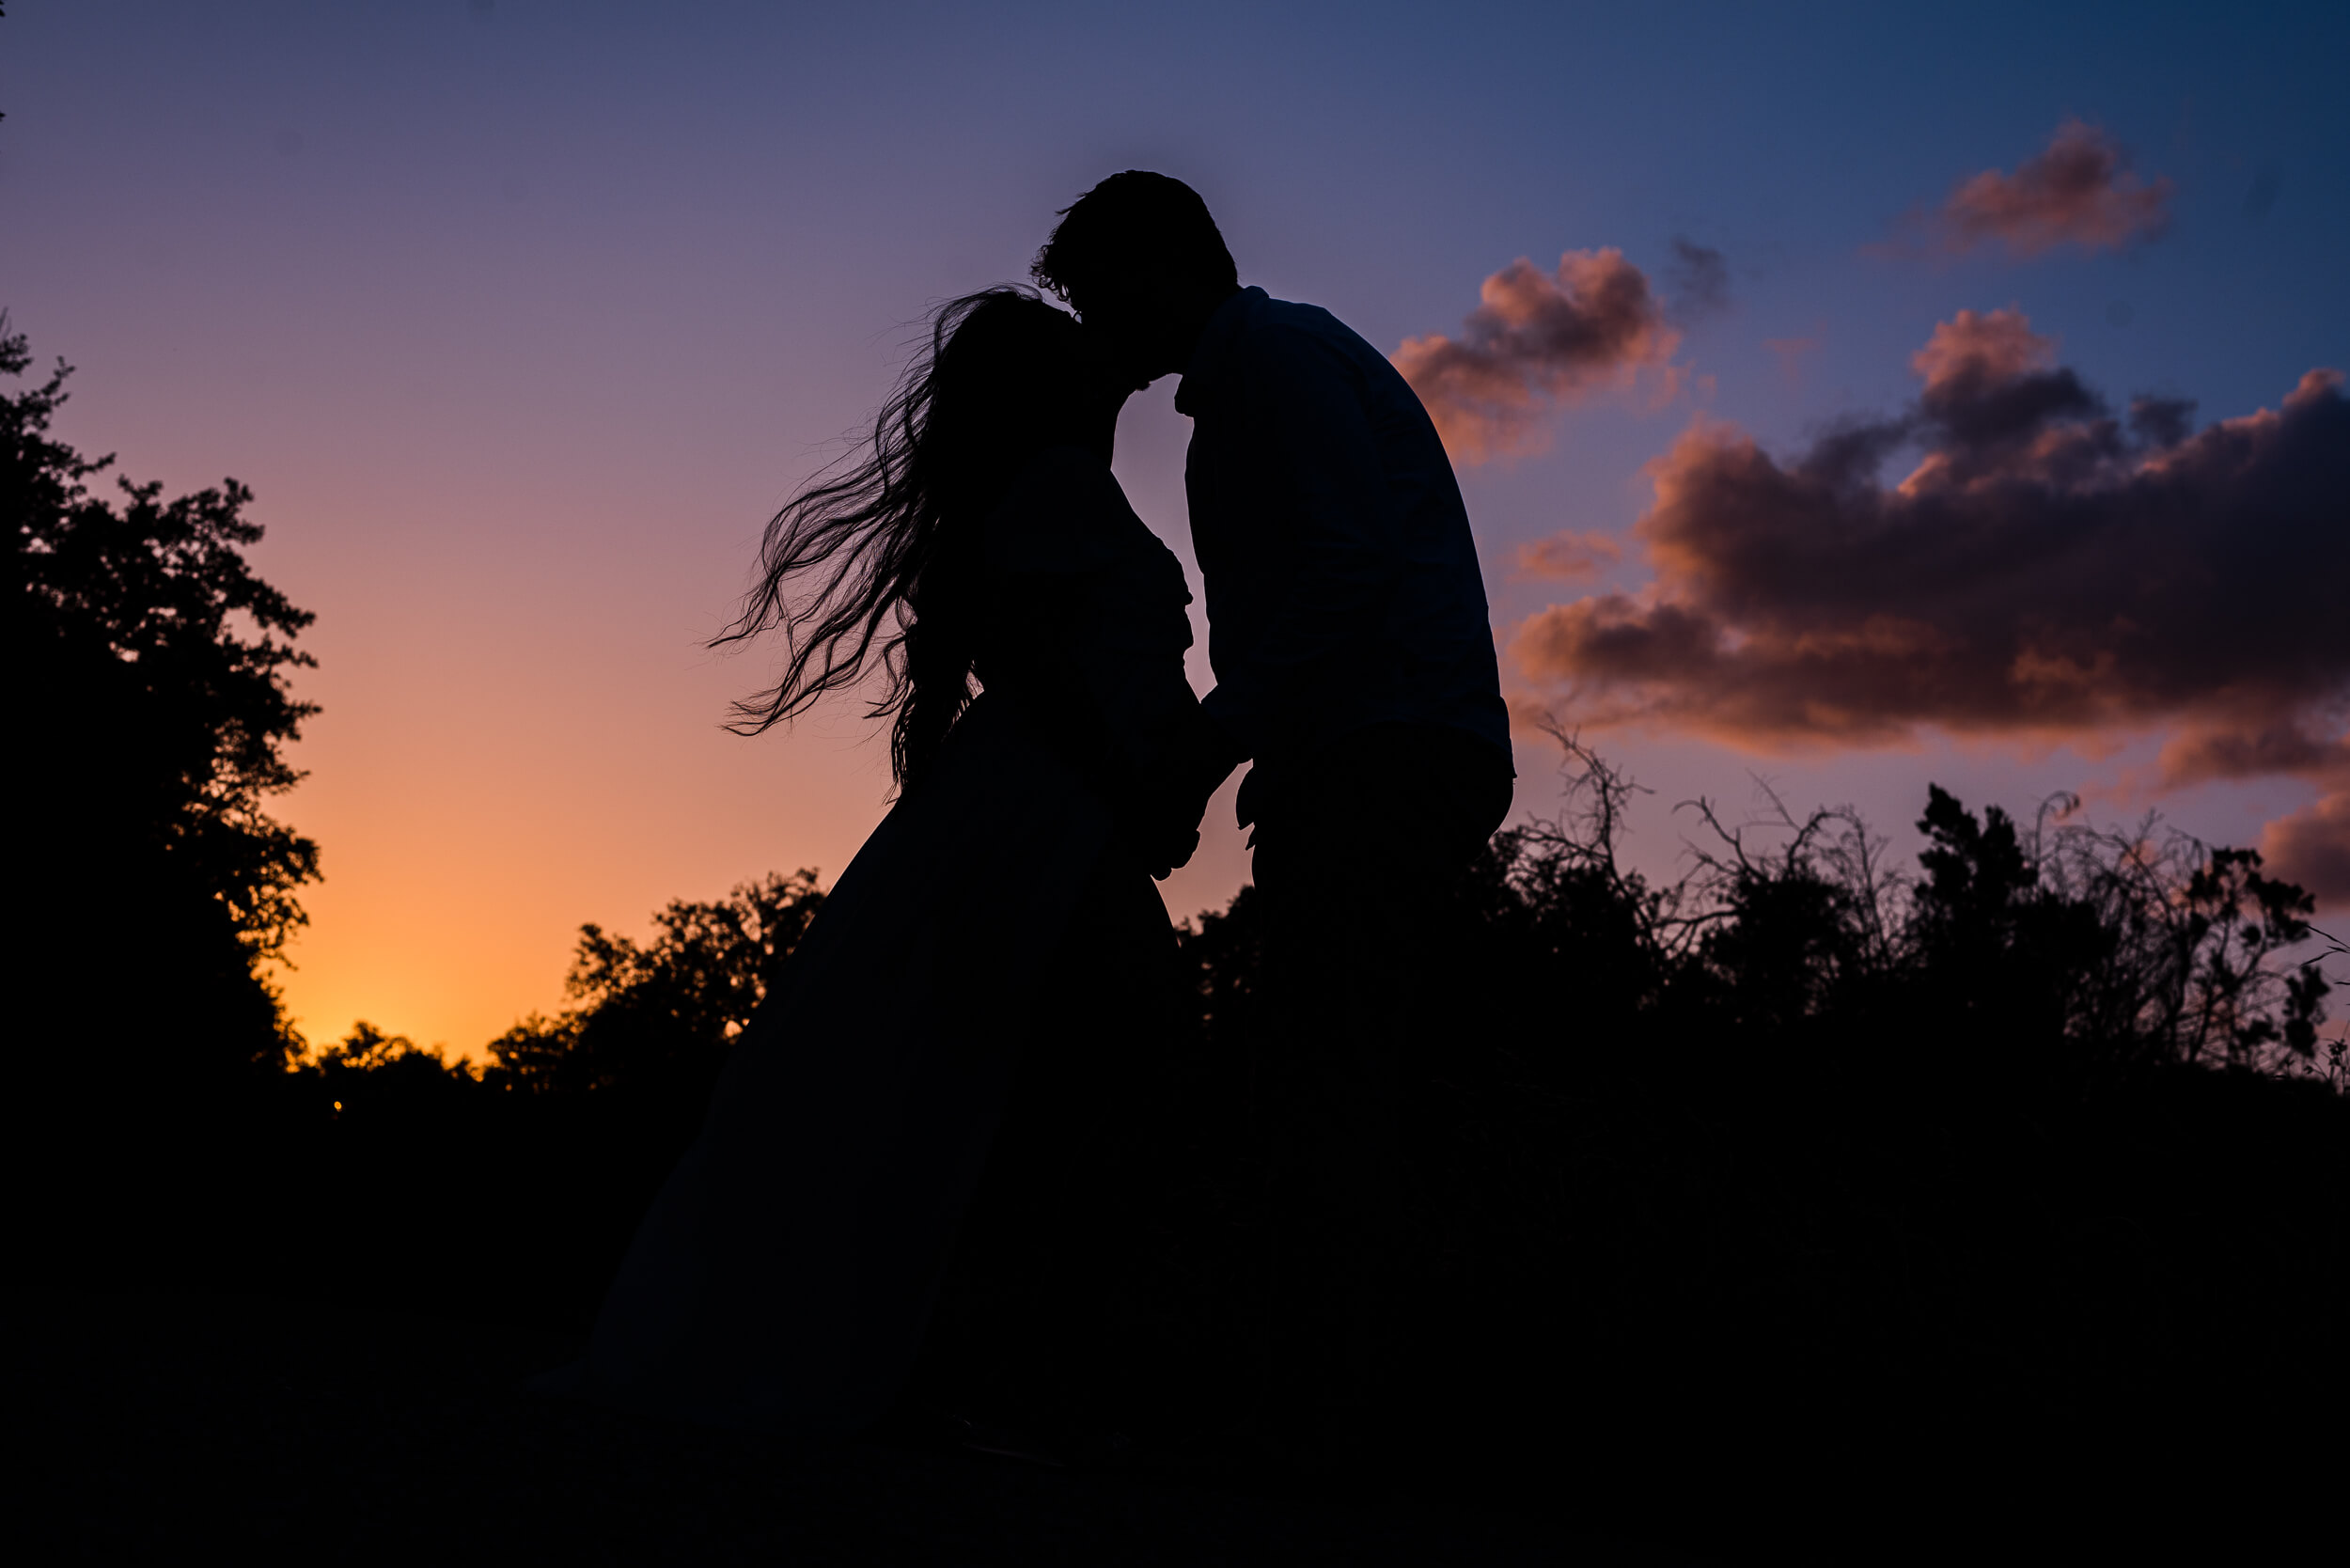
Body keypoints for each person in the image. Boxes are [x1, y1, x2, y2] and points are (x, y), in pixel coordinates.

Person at [541, 288, 1216, 1438]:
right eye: (1077, 358)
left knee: (1018, 1071)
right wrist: (1133, 786)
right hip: (1050, 804)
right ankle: (1016, 1361)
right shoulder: (1056, 486)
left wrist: (1169, 780)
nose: (1104, 366)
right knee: (1123, 1061)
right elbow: (1032, 659)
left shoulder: (1049, 487)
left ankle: (973, 1350)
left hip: (1056, 802)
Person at [1032, 172, 1516, 1467]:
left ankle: (1322, 1428)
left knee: (1331, 1074)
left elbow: (1347, 570)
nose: (1091, 325)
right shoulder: (1255, 385)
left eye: (1095, 293)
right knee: (1324, 1065)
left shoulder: (1281, 366)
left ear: (1153, 270)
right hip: (1355, 747)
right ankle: (1320, 1407)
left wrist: (1205, 746)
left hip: (1388, 743)